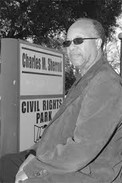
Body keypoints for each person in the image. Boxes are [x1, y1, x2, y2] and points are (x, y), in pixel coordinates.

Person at [1, 17, 122, 183]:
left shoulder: (105, 83)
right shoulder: (86, 78)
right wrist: (34, 154)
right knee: (5, 164)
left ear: (98, 43)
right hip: (55, 158)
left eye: (78, 41)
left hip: (86, 173)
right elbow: (58, 130)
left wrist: (34, 168)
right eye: (67, 43)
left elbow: (83, 149)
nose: (71, 48)